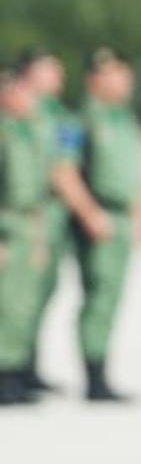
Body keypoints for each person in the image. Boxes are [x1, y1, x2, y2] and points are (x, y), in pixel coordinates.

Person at [72, 48, 141, 402]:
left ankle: (101, 372)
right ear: (94, 80)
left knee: (111, 296)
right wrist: (89, 213)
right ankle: (94, 377)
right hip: (99, 214)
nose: (123, 81)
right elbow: (63, 169)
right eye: (113, 74)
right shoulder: (84, 117)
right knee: (99, 297)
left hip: (120, 217)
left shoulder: (123, 118)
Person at [18, 48, 84, 394]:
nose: (60, 77)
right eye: (50, 70)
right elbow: (62, 172)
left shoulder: (60, 116)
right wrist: (90, 213)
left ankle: (24, 367)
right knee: (17, 297)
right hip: (24, 216)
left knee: (38, 294)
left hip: (51, 219)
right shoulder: (18, 113)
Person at [0, 68, 46, 405]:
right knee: (6, 306)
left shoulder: (25, 133)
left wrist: (39, 239)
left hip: (26, 226)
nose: (31, 100)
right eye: (24, 92)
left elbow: (36, 193)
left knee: (21, 307)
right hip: (7, 227)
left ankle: (15, 374)